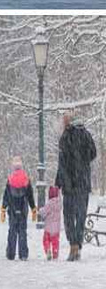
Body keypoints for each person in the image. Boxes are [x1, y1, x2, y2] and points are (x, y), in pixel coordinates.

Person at [55, 110, 97, 261]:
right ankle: (77, 245)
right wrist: (82, 162)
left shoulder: (65, 137)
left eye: (65, 120)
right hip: (82, 183)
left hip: (69, 184)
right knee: (81, 215)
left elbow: (61, 162)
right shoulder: (86, 134)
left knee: (68, 216)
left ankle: (73, 243)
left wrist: (59, 181)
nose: (63, 122)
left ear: (69, 121)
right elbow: (93, 154)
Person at [0, 156, 36, 261]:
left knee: (12, 231)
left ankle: (10, 253)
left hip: (12, 209)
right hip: (23, 209)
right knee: (22, 231)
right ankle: (23, 254)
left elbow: (6, 196)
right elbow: (30, 195)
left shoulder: (10, 179)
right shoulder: (26, 179)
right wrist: (33, 208)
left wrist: (3, 208)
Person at [39, 186, 62, 261]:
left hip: (48, 228)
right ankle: (55, 253)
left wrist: (40, 210)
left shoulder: (49, 203)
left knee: (46, 240)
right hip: (56, 229)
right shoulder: (59, 204)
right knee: (55, 242)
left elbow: (44, 212)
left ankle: (48, 250)